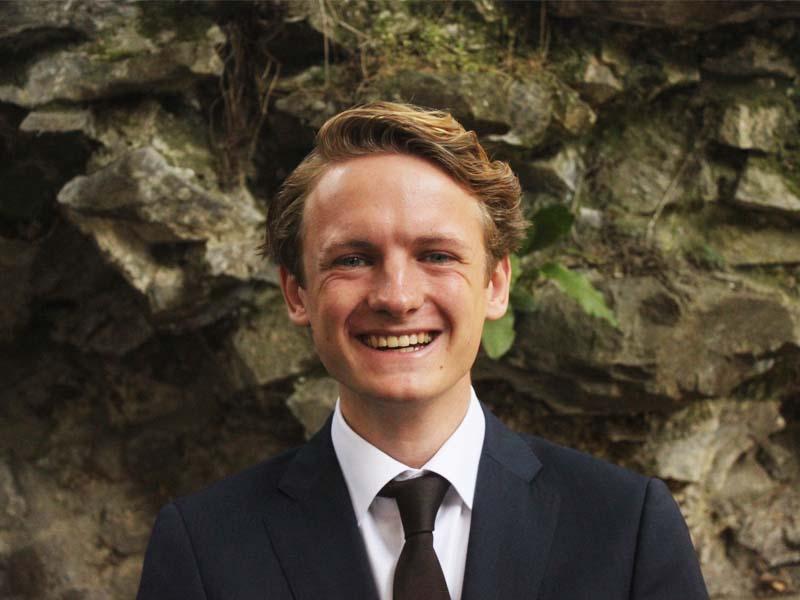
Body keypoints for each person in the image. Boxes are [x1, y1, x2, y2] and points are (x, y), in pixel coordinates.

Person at [137, 102, 709, 599]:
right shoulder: (203, 548)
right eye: (353, 259)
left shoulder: (625, 527)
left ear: (495, 285)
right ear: (297, 293)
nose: (398, 297)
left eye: (436, 255)